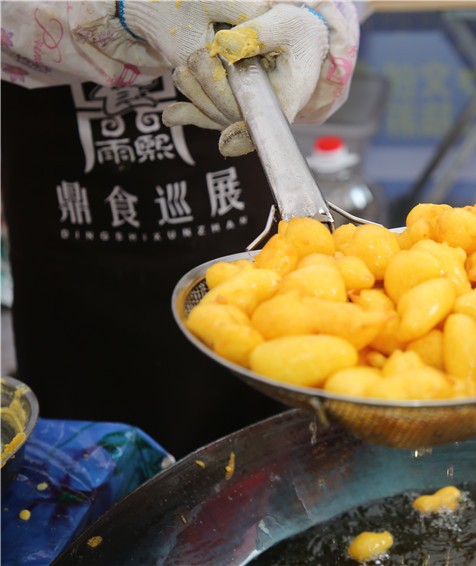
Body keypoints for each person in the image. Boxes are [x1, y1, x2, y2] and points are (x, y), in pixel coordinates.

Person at [1, 1, 365, 458]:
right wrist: (116, 10)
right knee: (84, 467)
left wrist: (315, 17)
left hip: (231, 181)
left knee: (261, 446)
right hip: (67, 221)